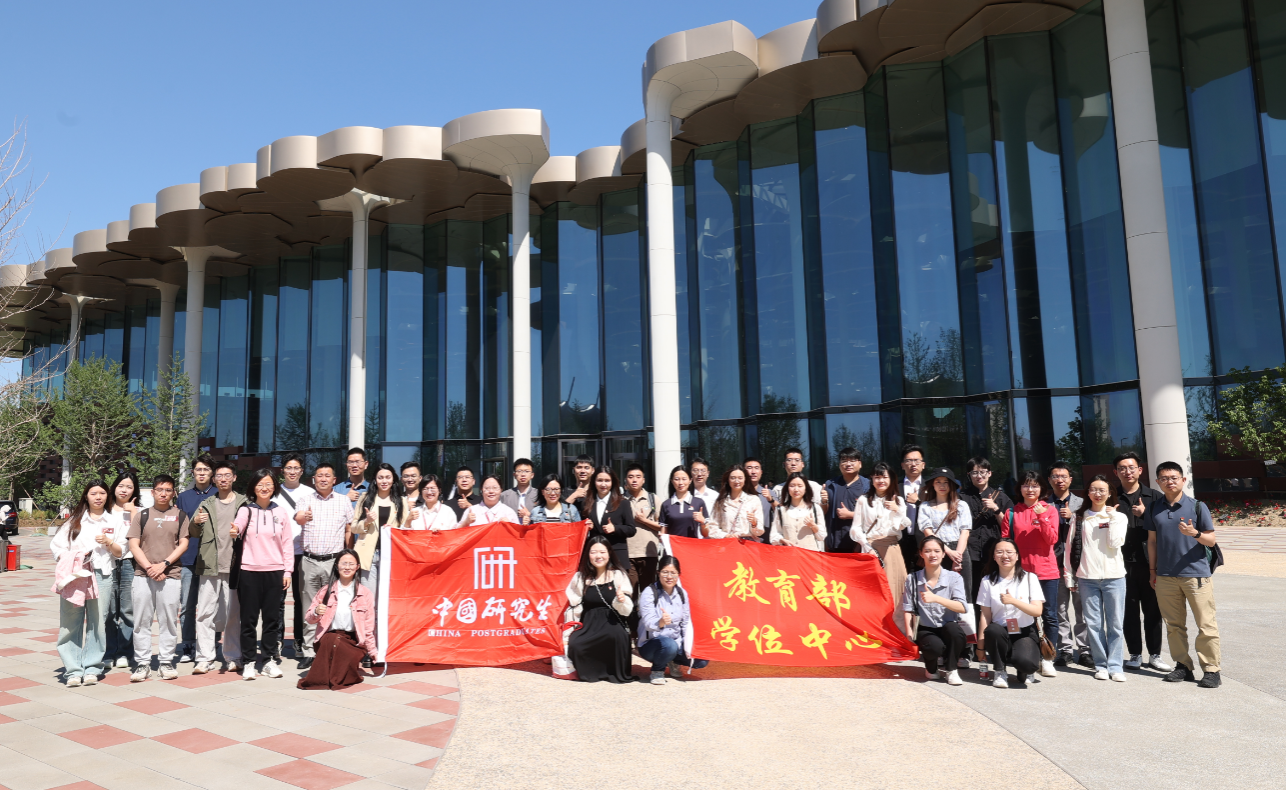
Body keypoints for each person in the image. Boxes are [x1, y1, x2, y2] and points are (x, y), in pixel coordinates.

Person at [1147, 462, 1221, 688]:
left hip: (1196, 575)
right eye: (1164, 478)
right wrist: (1152, 571)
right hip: (1165, 576)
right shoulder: (1154, 507)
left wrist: (1194, 533)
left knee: (1206, 624)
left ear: (1183, 480)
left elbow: (1211, 540)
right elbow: (1152, 542)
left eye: (1173, 477)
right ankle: (1183, 666)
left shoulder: (1198, 506)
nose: (1169, 481)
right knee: (1173, 625)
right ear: (1158, 482)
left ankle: (1211, 669)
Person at [52, 480, 121, 686]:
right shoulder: (74, 521)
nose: (98, 497)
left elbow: (121, 552)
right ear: (86, 496)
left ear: (107, 496)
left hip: (102, 574)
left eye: (102, 493)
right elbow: (56, 546)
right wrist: (71, 559)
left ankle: (92, 667)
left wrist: (109, 542)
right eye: (93, 493)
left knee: (97, 623)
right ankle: (73, 669)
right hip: (76, 575)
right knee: (70, 622)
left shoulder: (114, 520)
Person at [231, 469, 293, 680]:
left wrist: (288, 570)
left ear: (274, 487)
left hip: (275, 572)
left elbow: (287, 543)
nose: (264, 488)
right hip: (249, 571)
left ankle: (268, 660)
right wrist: (234, 530)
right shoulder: (246, 510)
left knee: (271, 620)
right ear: (253, 487)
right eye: (260, 484)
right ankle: (249, 661)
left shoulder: (281, 512)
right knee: (248, 620)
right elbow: (238, 526)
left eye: (268, 484)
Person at [127, 475, 190, 682]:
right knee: (141, 620)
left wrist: (164, 564)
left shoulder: (181, 515)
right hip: (142, 575)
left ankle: (166, 661)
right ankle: (142, 663)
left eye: (168, 490)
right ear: (153, 492)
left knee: (169, 620)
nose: (164, 493)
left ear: (174, 493)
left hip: (170, 575)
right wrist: (149, 567)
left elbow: (183, 544)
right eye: (160, 489)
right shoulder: (142, 516)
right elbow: (133, 545)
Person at [998, 470, 1058, 678]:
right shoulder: (1012, 512)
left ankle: (1048, 658)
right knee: (1020, 614)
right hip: (1020, 572)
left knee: (1049, 616)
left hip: (1046, 571)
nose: (1030, 489)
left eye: (1034, 485)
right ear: (1019, 488)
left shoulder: (1050, 510)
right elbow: (1005, 542)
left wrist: (1041, 516)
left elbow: (1052, 540)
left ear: (1042, 488)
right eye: (1026, 485)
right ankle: (1026, 656)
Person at [1067, 475, 1128, 681]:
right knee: (1093, 624)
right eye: (1093, 489)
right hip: (1087, 578)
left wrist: (1111, 519)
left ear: (1109, 493)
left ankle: (1115, 666)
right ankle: (1100, 664)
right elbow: (1070, 548)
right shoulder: (1080, 517)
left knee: (1115, 624)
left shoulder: (1119, 517)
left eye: (1102, 490)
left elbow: (1115, 543)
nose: (1098, 493)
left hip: (1114, 577)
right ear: (1088, 492)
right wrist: (1070, 576)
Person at [1113, 451, 1169, 672]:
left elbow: (1166, 527)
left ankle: (1155, 655)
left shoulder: (1154, 497)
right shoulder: (1112, 497)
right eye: (1122, 468)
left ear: (1140, 470)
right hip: (1121, 564)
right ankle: (1134, 654)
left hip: (1149, 563)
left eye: (1131, 467)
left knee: (1153, 611)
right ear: (1116, 472)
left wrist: (1146, 515)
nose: (1127, 472)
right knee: (1128, 611)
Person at [292, 463, 351, 671]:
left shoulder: (344, 501)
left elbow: (349, 529)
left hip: (334, 562)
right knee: (310, 607)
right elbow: (298, 518)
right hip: (309, 561)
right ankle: (308, 651)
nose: (323, 479)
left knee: (333, 606)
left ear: (334, 480)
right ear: (313, 479)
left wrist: (348, 555)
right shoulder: (305, 499)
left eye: (327, 475)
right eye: (319, 475)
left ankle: (330, 648)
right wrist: (303, 517)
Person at [190, 462, 247, 674]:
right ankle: (204, 658)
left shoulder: (244, 503)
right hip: (209, 565)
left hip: (234, 566)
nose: (223, 479)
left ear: (234, 478)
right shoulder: (206, 503)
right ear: (214, 479)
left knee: (233, 613)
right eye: (219, 476)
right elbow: (193, 532)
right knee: (205, 613)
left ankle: (233, 656)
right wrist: (196, 521)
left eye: (227, 475)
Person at [298, 549, 374, 691]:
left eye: (351, 564)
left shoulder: (365, 593)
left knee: (340, 662)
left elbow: (369, 627)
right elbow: (309, 619)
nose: (347, 567)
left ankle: (338, 674)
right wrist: (316, 612)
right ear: (336, 565)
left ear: (357, 567)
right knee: (332, 640)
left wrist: (373, 652)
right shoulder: (325, 591)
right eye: (344, 563)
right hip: (329, 638)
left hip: (353, 642)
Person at [565, 536, 636, 683]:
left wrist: (621, 600)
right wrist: (568, 633)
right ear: (587, 555)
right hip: (588, 623)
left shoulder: (618, 575)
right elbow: (573, 606)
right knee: (576, 644)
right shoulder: (580, 577)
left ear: (609, 554)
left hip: (612, 621)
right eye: (593, 552)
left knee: (617, 636)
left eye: (602, 552)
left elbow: (627, 610)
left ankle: (613, 671)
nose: (598, 556)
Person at [977, 539, 1045, 688]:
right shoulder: (987, 581)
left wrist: (1013, 601)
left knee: (1027, 664)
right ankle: (1000, 671)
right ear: (994, 557)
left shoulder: (1030, 578)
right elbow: (985, 616)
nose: (1004, 556)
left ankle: (1023, 670)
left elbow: (1037, 611)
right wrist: (980, 647)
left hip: (1025, 631)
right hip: (1000, 631)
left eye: (1009, 552)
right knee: (993, 630)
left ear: (1017, 556)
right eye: (999, 552)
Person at [901, 536, 967, 686]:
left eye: (937, 551)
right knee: (934, 647)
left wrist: (936, 598)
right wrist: (909, 636)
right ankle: (931, 668)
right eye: (928, 551)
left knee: (956, 633)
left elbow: (962, 607)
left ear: (943, 554)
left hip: (948, 625)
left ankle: (951, 669)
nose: (933, 555)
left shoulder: (954, 578)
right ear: (921, 554)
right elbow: (908, 609)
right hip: (925, 628)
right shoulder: (912, 579)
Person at [637, 555, 708, 684]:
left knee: (702, 660)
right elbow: (648, 623)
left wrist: (688, 645)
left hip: (676, 642)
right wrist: (660, 622)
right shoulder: (649, 592)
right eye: (665, 572)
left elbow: (685, 623)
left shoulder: (682, 594)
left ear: (678, 574)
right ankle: (657, 670)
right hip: (652, 644)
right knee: (669, 645)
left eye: (673, 573)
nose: (669, 577)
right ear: (658, 573)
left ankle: (672, 660)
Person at [853, 462, 910, 623]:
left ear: (891, 479)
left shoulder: (898, 500)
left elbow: (901, 526)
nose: (881, 481)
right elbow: (855, 529)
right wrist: (867, 546)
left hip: (891, 549)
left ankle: (896, 629)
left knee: (894, 590)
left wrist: (897, 510)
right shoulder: (863, 500)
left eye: (884, 477)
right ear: (871, 479)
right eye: (877, 477)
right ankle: (873, 628)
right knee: (871, 591)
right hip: (870, 549)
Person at [174, 454, 216, 664]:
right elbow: (177, 527)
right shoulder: (183, 497)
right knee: (188, 606)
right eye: (198, 469)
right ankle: (188, 644)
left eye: (206, 469)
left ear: (212, 473)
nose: (202, 473)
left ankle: (212, 643)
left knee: (213, 605)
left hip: (212, 559)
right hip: (188, 558)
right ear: (193, 472)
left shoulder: (219, 494)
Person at [272, 454, 313, 664]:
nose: (292, 471)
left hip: (301, 553)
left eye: (296, 468)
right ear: (283, 470)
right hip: (277, 554)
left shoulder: (310, 493)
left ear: (302, 471)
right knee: (277, 600)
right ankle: (277, 641)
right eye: (289, 468)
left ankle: (298, 640)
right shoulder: (274, 492)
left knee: (300, 600)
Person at [958, 457, 1012, 614]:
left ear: (989, 473)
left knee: (995, 590)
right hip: (970, 552)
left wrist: (996, 509)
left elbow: (1009, 527)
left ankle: (996, 624)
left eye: (982, 472)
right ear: (969, 475)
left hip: (994, 552)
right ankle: (976, 626)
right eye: (974, 472)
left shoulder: (1001, 497)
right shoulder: (962, 497)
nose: (979, 476)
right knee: (973, 591)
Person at [917, 468, 972, 620]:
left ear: (952, 485)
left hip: (960, 550)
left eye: (946, 482)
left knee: (963, 592)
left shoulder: (961, 505)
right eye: (938, 482)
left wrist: (957, 556)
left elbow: (965, 532)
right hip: (936, 552)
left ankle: (966, 630)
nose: (942, 485)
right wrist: (947, 551)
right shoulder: (925, 506)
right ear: (932, 485)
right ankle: (940, 624)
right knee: (939, 590)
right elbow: (928, 531)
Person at [1047, 461, 1088, 668]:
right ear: (1049, 480)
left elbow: (1090, 529)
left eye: (1064, 476)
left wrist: (1073, 518)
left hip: (1078, 563)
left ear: (1070, 479)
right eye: (1055, 476)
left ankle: (1085, 650)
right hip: (1053, 563)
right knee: (1060, 609)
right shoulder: (1044, 504)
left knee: (1082, 609)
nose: (1060, 480)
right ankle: (1065, 649)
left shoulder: (1082, 503)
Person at [350, 463, 406, 600]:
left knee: (386, 597)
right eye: (380, 477)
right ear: (375, 479)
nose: (384, 481)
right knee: (368, 597)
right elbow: (354, 527)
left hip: (391, 554)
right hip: (368, 554)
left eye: (388, 477)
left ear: (393, 479)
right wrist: (366, 521)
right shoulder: (365, 498)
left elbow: (405, 529)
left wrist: (394, 530)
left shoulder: (401, 501)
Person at [102, 471, 140, 670]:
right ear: (114, 487)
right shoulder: (104, 509)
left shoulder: (139, 511)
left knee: (127, 610)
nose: (124, 490)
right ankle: (109, 651)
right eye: (121, 486)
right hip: (106, 562)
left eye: (129, 487)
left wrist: (132, 512)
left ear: (135, 490)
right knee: (108, 610)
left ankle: (124, 652)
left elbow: (142, 533)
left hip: (129, 563)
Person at [622, 464, 662, 626]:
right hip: (628, 554)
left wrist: (644, 521)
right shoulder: (621, 500)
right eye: (631, 477)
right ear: (626, 480)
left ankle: (648, 628)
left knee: (648, 595)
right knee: (630, 594)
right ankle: (631, 630)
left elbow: (662, 526)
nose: (634, 480)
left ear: (643, 480)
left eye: (638, 477)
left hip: (649, 553)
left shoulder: (653, 499)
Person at [579, 467, 636, 568]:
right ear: (594, 482)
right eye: (600, 480)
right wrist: (586, 527)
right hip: (595, 556)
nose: (603, 484)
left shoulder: (623, 503)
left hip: (616, 555)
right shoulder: (586, 503)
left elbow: (631, 529)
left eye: (607, 480)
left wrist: (615, 528)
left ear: (612, 482)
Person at [823, 448, 869, 553]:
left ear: (860, 464)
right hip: (834, 544)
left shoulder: (868, 486)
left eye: (852, 460)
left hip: (859, 545)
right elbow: (823, 512)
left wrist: (851, 515)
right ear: (839, 465)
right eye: (844, 461)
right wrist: (824, 501)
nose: (848, 464)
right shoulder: (830, 485)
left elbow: (876, 514)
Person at [770, 472, 827, 551]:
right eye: (792, 486)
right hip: (788, 555)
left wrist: (813, 526)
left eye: (800, 486)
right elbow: (774, 534)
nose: (796, 489)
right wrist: (782, 540)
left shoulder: (815, 508)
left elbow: (822, 536)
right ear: (787, 488)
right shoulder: (780, 509)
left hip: (810, 555)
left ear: (806, 488)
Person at [705, 464, 765, 540]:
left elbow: (759, 532)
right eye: (733, 478)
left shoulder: (753, 500)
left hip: (747, 544)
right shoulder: (721, 501)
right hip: (727, 543)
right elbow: (712, 527)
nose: (737, 481)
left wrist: (754, 523)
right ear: (728, 480)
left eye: (740, 478)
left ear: (745, 479)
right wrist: (727, 536)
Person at [658, 466, 709, 540]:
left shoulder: (699, 502)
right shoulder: (666, 504)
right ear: (672, 481)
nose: (680, 483)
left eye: (684, 479)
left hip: (691, 545)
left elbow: (706, 534)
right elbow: (664, 532)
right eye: (677, 479)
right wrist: (661, 537)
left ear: (690, 480)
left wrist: (703, 521)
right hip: (673, 546)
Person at [899, 445, 927, 574]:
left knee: (923, 578)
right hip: (900, 540)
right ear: (902, 465)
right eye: (909, 461)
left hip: (922, 540)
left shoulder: (931, 486)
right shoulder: (895, 486)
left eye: (917, 460)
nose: (913, 464)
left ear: (923, 465)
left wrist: (919, 501)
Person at [743, 457, 775, 544]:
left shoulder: (769, 493)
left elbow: (780, 513)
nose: (753, 472)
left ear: (761, 472)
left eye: (756, 468)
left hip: (763, 542)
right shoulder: (737, 494)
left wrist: (770, 499)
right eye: (749, 468)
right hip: (740, 541)